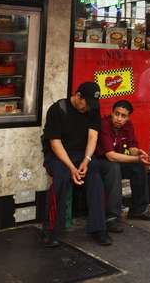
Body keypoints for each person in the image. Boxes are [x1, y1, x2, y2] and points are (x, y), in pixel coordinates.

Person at [41, 82, 110, 247]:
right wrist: (71, 167)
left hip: (81, 155)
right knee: (62, 176)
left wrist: (87, 160)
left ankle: (98, 228)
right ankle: (51, 230)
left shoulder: (92, 108)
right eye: (86, 103)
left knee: (94, 173)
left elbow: (93, 136)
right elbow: (55, 143)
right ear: (78, 96)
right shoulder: (58, 109)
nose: (88, 108)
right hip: (59, 155)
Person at [94, 100, 150, 234]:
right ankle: (112, 217)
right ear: (112, 113)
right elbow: (110, 155)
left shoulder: (128, 125)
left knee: (138, 166)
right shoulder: (104, 124)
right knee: (114, 167)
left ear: (128, 117)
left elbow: (132, 147)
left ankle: (138, 210)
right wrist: (135, 158)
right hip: (99, 162)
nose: (119, 118)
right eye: (117, 114)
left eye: (123, 116)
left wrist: (139, 154)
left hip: (117, 160)